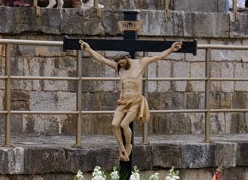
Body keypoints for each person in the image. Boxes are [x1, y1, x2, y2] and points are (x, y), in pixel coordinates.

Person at [78, 40, 184, 170]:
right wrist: (89, 49)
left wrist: (171, 49)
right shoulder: (118, 67)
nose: (120, 65)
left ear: (126, 57)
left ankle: (128, 146)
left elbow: (158, 57)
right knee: (114, 124)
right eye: (118, 63)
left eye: (121, 62)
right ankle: (121, 148)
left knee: (124, 124)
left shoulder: (141, 63)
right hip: (123, 102)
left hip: (135, 101)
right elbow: (102, 59)